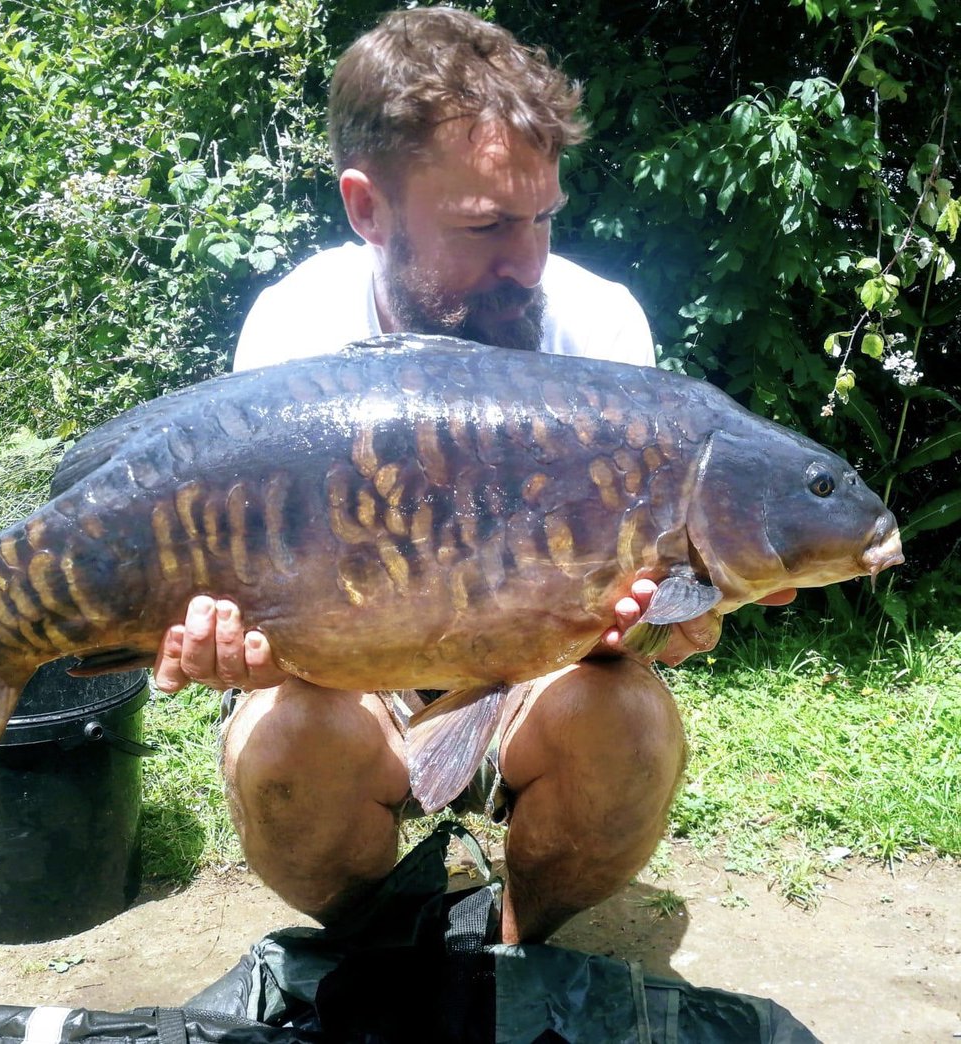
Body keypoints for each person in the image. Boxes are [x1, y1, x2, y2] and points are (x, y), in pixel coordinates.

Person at [153, 8, 795, 943]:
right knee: (284, 744)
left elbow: (623, 630)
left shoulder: (600, 333)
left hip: (534, 670)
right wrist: (226, 646)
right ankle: (387, 948)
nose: (528, 262)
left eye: (542, 218)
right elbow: (255, 621)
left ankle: (511, 949)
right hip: (346, 684)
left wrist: (660, 628)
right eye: (486, 224)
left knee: (631, 730)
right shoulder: (294, 335)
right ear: (367, 209)